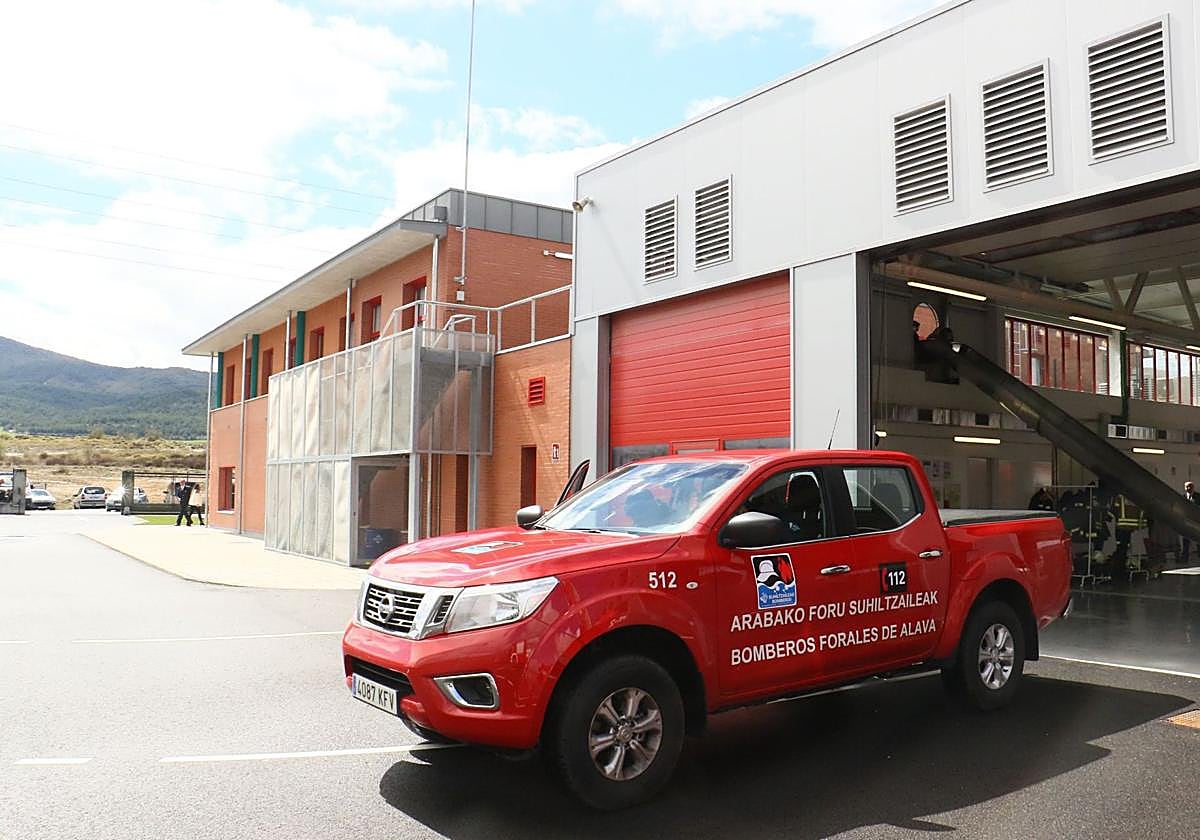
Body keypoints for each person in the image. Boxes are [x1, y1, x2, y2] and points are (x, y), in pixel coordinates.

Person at [1180, 481, 1200, 563]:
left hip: (1197, 521)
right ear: (1185, 488)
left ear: (1193, 487)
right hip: (1186, 522)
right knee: (1186, 540)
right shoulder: (1183, 497)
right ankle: (1185, 558)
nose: (1189, 488)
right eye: (1187, 486)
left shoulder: (1198, 497)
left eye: (1190, 486)